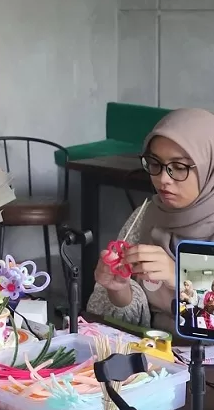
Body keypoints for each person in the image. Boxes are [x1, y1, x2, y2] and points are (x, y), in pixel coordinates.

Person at [87, 108, 214, 332]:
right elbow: (129, 323)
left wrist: (179, 276)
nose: (163, 179)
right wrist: (119, 291)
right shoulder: (146, 216)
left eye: (179, 167)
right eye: (155, 164)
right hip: (155, 354)